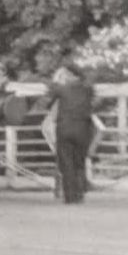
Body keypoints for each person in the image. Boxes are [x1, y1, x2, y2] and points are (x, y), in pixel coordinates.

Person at [43, 63, 97, 204]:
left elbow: (47, 103)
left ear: (71, 75)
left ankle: (70, 197)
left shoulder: (61, 89)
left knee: (66, 163)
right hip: (83, 128)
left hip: (64, 128)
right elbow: (94, 102)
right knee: (79, 162)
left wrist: (54, 86)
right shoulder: (88, 89)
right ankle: (79, 194)